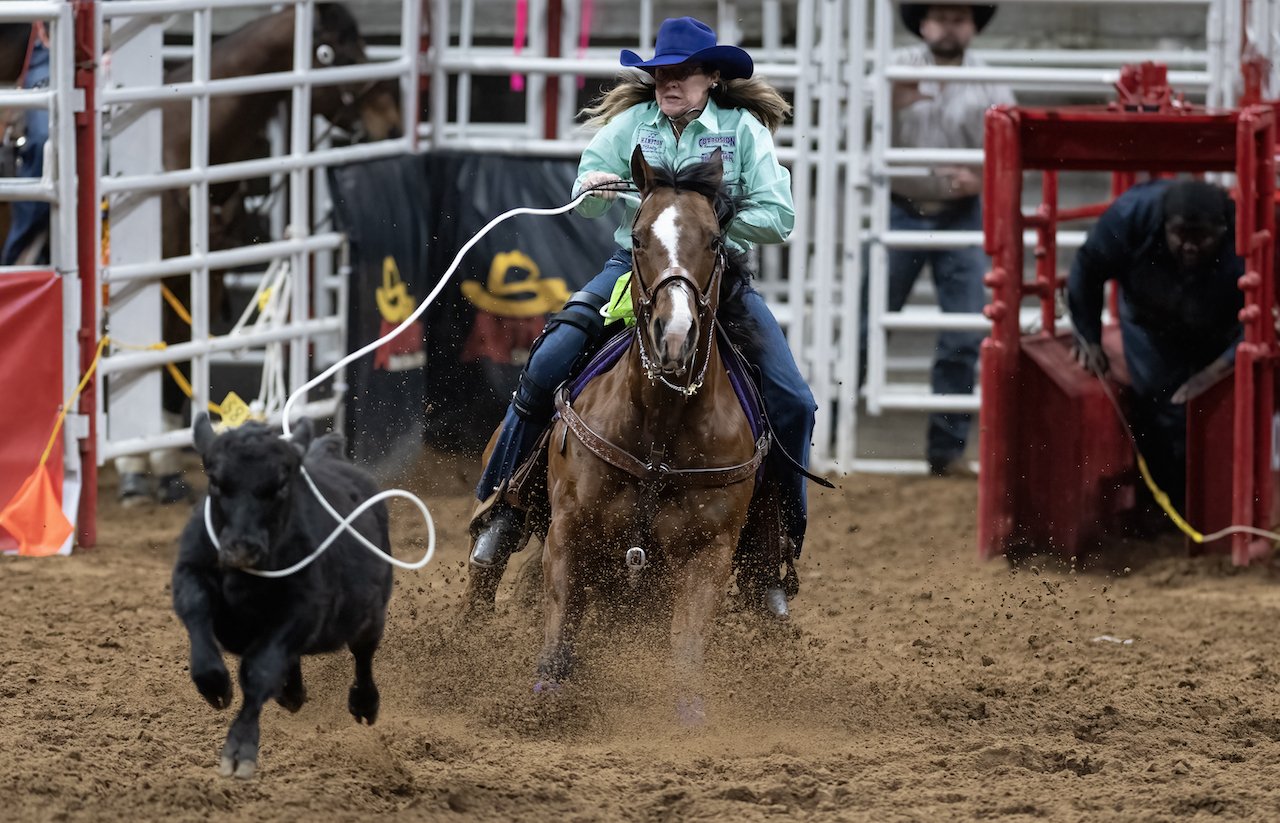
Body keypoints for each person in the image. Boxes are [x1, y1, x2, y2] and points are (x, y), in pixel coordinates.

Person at [466, 16, 814, 616]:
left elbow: (779, 217)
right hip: (636, 271)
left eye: (680, 73)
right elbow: (584, 188)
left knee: (794, 402)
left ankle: (774, 555)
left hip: (717, 276)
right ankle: (504, 505)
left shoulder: (744, 131)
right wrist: (597, 188)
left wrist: (708, 223)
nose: (667, 83)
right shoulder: (633, 124)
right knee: (549, 359)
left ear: (711, 77)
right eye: (659, 74)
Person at [877, 4, 1013, 476]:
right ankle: (818, 434)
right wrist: (886, 102)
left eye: (960, 17)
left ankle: (947, 451)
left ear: (973, 26)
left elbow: (1009, 151)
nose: (950, 25)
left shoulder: (991, 82)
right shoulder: (893, 71)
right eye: (941, 16)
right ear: (924, 23)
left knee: (962, 330)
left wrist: (980, 178)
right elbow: (854, 127)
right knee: (865, 323)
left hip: (961, 212)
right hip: (899, 205)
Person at [1067, 179, 1244, 512]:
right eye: (1181, 235)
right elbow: (1088, 267)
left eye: (1202, 237)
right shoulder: (1129, 217)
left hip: (1221, 327)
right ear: (1164, 225)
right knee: (1161, 403)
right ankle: (1170, 506)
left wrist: (1215, 371)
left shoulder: (1244, 232)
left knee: (1224, 408)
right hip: (1151, 323)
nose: (1190, 246)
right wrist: (1088, 336)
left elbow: (1265, 312)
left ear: (1222, 230)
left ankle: (1213, 504)